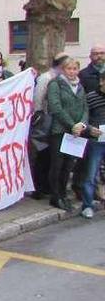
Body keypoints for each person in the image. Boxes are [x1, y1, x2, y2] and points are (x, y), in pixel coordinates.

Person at [47, 58, 88, 211]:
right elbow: (55, 107)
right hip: (60, 130)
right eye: (68, 69)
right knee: (57, 164)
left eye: (74, 69)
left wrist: (81, 124)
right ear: (63, 70)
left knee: (68, 164)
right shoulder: (55, 84)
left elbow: (85, 107)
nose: (72, 72)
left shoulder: (80, 86)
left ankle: (64, 194)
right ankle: (55, 195)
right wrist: (72, 125)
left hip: (76, 132)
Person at [29, 53, 70, 200]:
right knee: (42, 154)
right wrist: (39, 115)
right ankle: (39, 187)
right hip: (46, 119)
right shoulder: (46, 78)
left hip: (58, 122)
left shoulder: (64, 79)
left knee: (53, 156)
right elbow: (38, 99)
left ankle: (48, 185)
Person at [79, 74, 105, 218]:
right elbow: (83, 117)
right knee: (91, 174)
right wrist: (89, 129)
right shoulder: (91, 97)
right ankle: (87, 205)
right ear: (102, 81)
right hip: (96, 141)